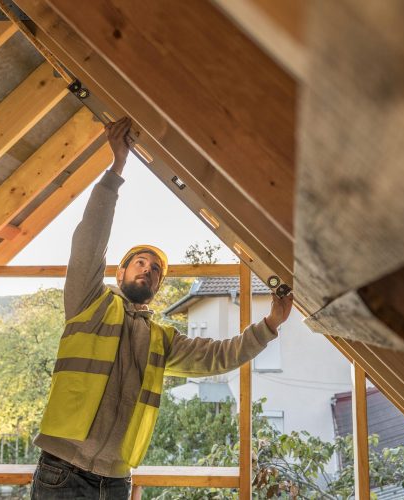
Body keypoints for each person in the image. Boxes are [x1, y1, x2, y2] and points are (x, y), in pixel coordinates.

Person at [30, 117, 293, 499]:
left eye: (155, 270)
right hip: (62, 472)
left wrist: (270, 324)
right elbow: (89, 242)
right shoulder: (89, 302)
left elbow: (219, 357)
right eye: (140, 262)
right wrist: (116, 170)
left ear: (157, 287)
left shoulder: (160, 339)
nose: (148, 270)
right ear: (119, 271)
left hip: (116, 480)